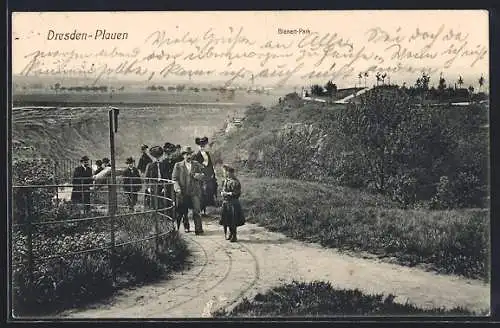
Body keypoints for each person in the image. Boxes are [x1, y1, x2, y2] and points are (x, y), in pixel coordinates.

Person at [172, 146, 206, 234]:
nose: (189, 156)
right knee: (183, 212)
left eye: (190, 154)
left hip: (194, 191)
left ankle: (198, 229)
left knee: (197, 210)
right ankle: (184, 227)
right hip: (183, 192)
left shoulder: (196, 164)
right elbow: (174, 179)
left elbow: (204, 175)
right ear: (183, 155)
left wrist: (198, 176)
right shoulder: (178, 165)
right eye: (187, 154)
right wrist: (177, 189)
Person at [219, 164, 245, 242]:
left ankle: (234, 235)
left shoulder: (235, 182)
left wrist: (227, 193)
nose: (224, 173)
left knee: (233, 220)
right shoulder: (225, 180)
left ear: (229, 172)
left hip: (233, 203)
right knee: (227, 219)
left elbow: (237, 193)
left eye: (225, 172)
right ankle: (230, 233)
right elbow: (223, 189)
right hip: (226, 202)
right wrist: (222, 193)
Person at [193, 136, 217, 216]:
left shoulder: (207, 154)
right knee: (201, 193)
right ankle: (200, 210)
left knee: (209, 191)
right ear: (198, 146)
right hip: (201, 177)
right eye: (200, 145)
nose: (202, 147)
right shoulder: (196, 156)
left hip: (208, 176)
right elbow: (196, 167)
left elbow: (210, 165)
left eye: (203, 145)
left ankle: (205, 210)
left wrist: (213, 173)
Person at [144, 146, 165, 210]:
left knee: (161, 202)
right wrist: (148, 187)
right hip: (153, 186)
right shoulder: (150, 165)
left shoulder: (163, 165)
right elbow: (146, 178)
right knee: (152, 202)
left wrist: (164, 186)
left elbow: (165, 176)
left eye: (158, 156)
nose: (157, 158)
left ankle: (161, 216)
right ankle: (153, 215)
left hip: (161, 185)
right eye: (156, 157)